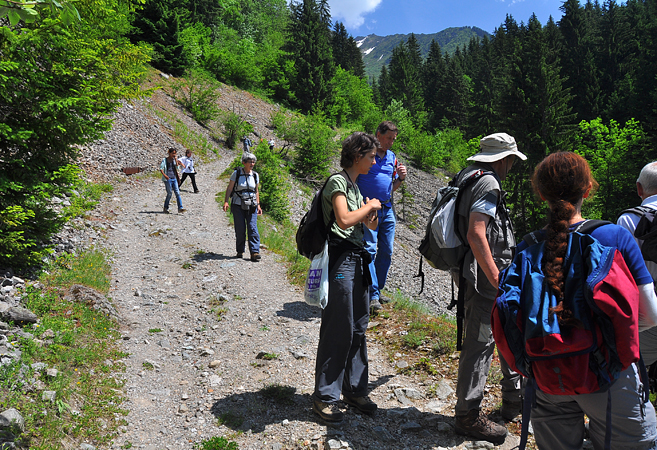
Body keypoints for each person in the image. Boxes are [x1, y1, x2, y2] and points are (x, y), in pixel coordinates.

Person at [522, 152, 657, 449]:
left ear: (541, 194)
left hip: (546, 374)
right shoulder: (615, 236)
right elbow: (649, 314)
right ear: (588, 190)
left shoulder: (527, 246)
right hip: (607, 374)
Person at [453, 132, 525, 444]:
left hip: (473, 272)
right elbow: (476, 232)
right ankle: (467, 416)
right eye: (511, 159)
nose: (512, 164)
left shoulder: (468, 175)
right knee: (481, 343)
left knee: (504, 332)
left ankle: (513, 400)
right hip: (485, 279)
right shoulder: (490, 183)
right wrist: (497, 278)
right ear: (504, 158)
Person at [313, 132, 382, 423]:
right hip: (341, 260)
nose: (374, 160)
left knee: (358, 326)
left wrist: (369, 218)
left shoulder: (354, 185)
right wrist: (369, 207)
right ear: (357, 156)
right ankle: (325, 397)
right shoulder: (338, 182)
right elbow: (342, 219)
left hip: (357, 260)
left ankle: (354, 389)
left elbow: (362, 224)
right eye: (371, 156)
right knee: (339, 327)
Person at [356, 121, 407, 312]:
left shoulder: (392, 157)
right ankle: (373, 294)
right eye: (388, 138)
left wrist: (400, 178)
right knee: (369, 249)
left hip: (387, 209)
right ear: (378, 134)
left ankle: (376, 288)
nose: (391, 143)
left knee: (386, 250)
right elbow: (354, 179)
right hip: (369, 210)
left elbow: (391, 186)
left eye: (393, 139)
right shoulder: (365, 154)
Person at [617, 161, 657, 366]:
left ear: (639, 188)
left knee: (639, 371)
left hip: (646, 310)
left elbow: (623, 274)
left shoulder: (628, 219)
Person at [223, 153, 262, 262]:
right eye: (250, 162)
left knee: (252, 227)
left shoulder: (255, 175)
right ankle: (240, 250)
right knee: (240, 228)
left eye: (253, 162)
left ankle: (254, 252)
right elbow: (230, 188)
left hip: (252, 205)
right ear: (244, 162)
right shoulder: (237, 173)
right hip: (237, 204)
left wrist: (258, 205)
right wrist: (226, 201)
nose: (252, 164)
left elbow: (256, 191)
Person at [159, 148, 186, 214]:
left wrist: (176, 160)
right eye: (173, 153)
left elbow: (177, 168)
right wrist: (165, 175)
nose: (174, 155)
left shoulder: (174, 160)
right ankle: (166, 207)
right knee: (169, 193)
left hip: (174, 178)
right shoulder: (165, 160)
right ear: (169, 153)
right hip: (168, 179)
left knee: (177, 193)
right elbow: (161, 168)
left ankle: (180, 208)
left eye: (175, 153)